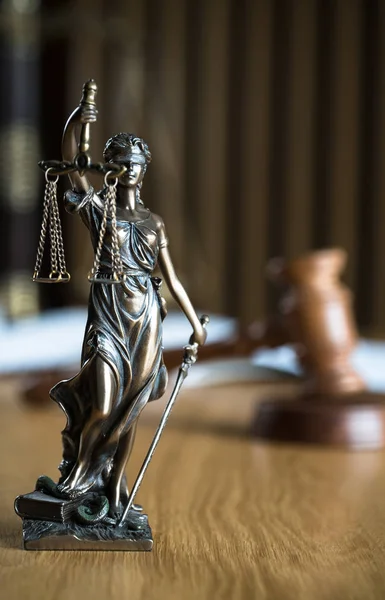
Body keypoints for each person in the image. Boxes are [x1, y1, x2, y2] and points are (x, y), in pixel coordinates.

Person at [49, 100, 207, 518]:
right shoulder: (100, 211)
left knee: (129, 409)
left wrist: (195, 324)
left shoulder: (154, 222)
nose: (131, 169)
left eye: (137, 162)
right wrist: (76, 119)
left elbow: (171, 279)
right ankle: (77, 478)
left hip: (147, 319)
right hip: (108, 313)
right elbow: (71, 163)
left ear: (145, 167)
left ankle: (116, 486)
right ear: (112, 167)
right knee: (103, 405)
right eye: (121, 162)